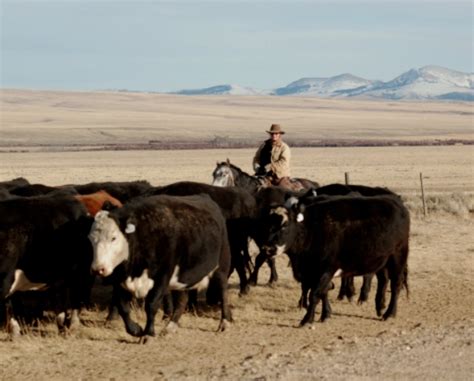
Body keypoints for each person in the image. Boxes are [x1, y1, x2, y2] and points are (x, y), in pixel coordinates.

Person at [252, 123, 293, 188]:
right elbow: (256, 157)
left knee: (282, 190)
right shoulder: (263, 146)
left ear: (280, 135)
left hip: (279, 176)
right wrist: (256, 166)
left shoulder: (284, 147)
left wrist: (271, 167)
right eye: (272, 134)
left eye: (276, 134)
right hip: (263, 174)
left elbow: (284, 162)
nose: (274, 135)